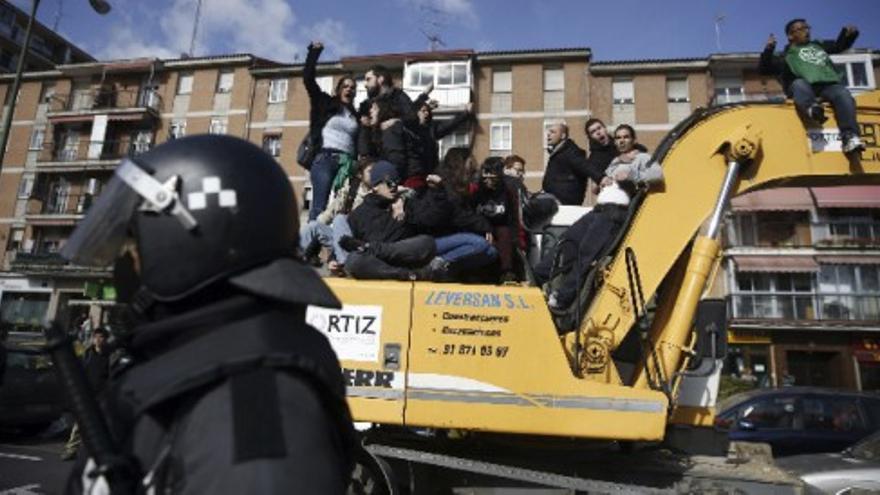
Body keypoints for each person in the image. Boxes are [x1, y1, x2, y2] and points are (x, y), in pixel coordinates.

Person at [60, 135, 355, 494]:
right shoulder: (200, 372)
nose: (125, 263)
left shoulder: (256, 411)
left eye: (133, 245)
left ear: (185, 239)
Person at [535, 124, 662, 311]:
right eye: (618, 137)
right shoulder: (614, 161)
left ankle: (563, 297)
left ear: (633, 139)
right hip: (597, 211)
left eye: (626, 137)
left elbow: (658, 175)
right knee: (568, 241)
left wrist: (632, 173)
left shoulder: (641, 158)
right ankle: (537, 277)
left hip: (615, 213)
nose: (621, 140)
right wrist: (599, 185)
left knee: (587, 253)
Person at [759, 19, 864, 154]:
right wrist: (768, 50)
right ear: (791, 36)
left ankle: (850, 137)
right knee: (799, 83)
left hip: (827, 86)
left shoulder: (818, 45)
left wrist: (849, 34)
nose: (806, 31)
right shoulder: (786, 55)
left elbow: (839, 46)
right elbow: (765, 69)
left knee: (843, 93)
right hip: (804, 89)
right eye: (801, 29)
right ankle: (812, 109)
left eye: (807, 28)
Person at [342, 160, 445, 281]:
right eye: (389, 183)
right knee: (354, 260)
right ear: (375, 186)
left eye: (396, 183)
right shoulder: (359, 214)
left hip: (402, 256)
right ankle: (408, 274)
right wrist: (332, 259)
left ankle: (372, 249)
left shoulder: (406, 204)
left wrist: (437, 191)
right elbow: (348, 243)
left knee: (427, 243)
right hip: (377, 263)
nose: (393, 187)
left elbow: (431, 219)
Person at [305, 41, 359, 221]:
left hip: (347, 164)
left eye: (353, 87)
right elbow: (308, 80)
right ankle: (308, 247)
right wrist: (314, 52)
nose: (349, 89)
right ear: (339, 89)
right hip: (325, 159)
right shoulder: (324, 103)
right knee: (319, 207)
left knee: (342, 207)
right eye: (346, 86)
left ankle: (333, 246)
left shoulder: (355, 115)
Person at [61, 327, 112, 461]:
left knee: (105, 426)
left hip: (104, 396)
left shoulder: (110, 356)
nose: (98, 340)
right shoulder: (88, 354)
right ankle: (71, 450)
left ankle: (102, 453)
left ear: (106, 339)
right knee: (80, 425)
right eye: (96, 337)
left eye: (101, 337)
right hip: (89, 394)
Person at [474, 157, 522, 282]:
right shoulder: (477, 190)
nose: (488, 177)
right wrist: (485, 228)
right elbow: (471, 214)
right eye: (486, 173)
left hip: (502, 228)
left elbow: (514, 218)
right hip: (482, 228)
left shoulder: (508, 190)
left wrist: (519, 241)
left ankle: (507, 272)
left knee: (504, 233)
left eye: (492, 173)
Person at [414, 100, 475, 178]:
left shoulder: (430, 129)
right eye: (423, 111)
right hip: (413, 176)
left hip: (430, 173)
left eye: (428, 111)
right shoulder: (407, 130)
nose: (427, 113)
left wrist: (465, 113)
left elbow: (449, 125)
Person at [541, 123, 591, 205]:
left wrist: (601, 178)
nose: (548, 134)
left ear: (563, 136)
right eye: (548, 132)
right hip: (554, 198)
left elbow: (585, 166)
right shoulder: (557, 152)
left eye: (553, 132)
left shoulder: (570, 151)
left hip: (564, 202)